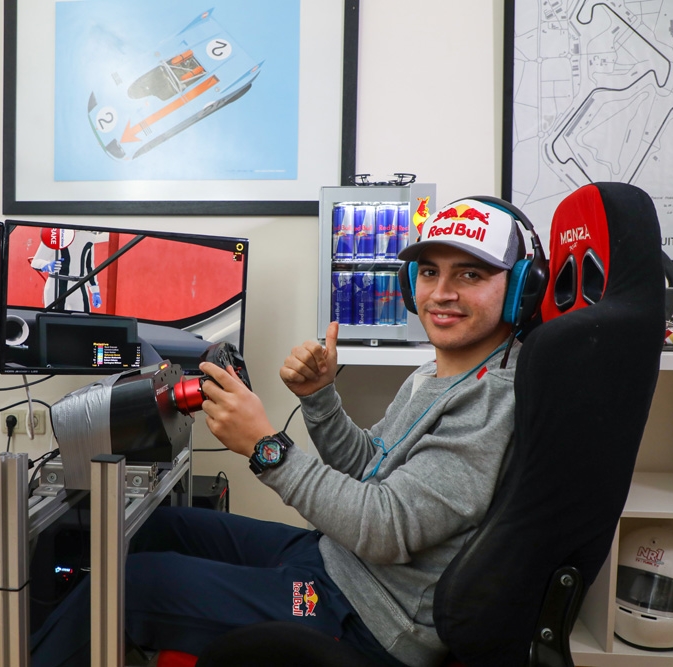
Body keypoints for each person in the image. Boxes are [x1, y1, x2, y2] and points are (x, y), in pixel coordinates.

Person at [30, 197, 530, 667]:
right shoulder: (439, 372)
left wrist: (265, 447)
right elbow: (370, 466)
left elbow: (384, 528)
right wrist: (320, 397)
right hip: (336, 559)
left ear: (520, 288)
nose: (442, 293)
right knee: (152, 528)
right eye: (430, 272)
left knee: (128, 585)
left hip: (365, 615)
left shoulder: (492, 405)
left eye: (470, 274)